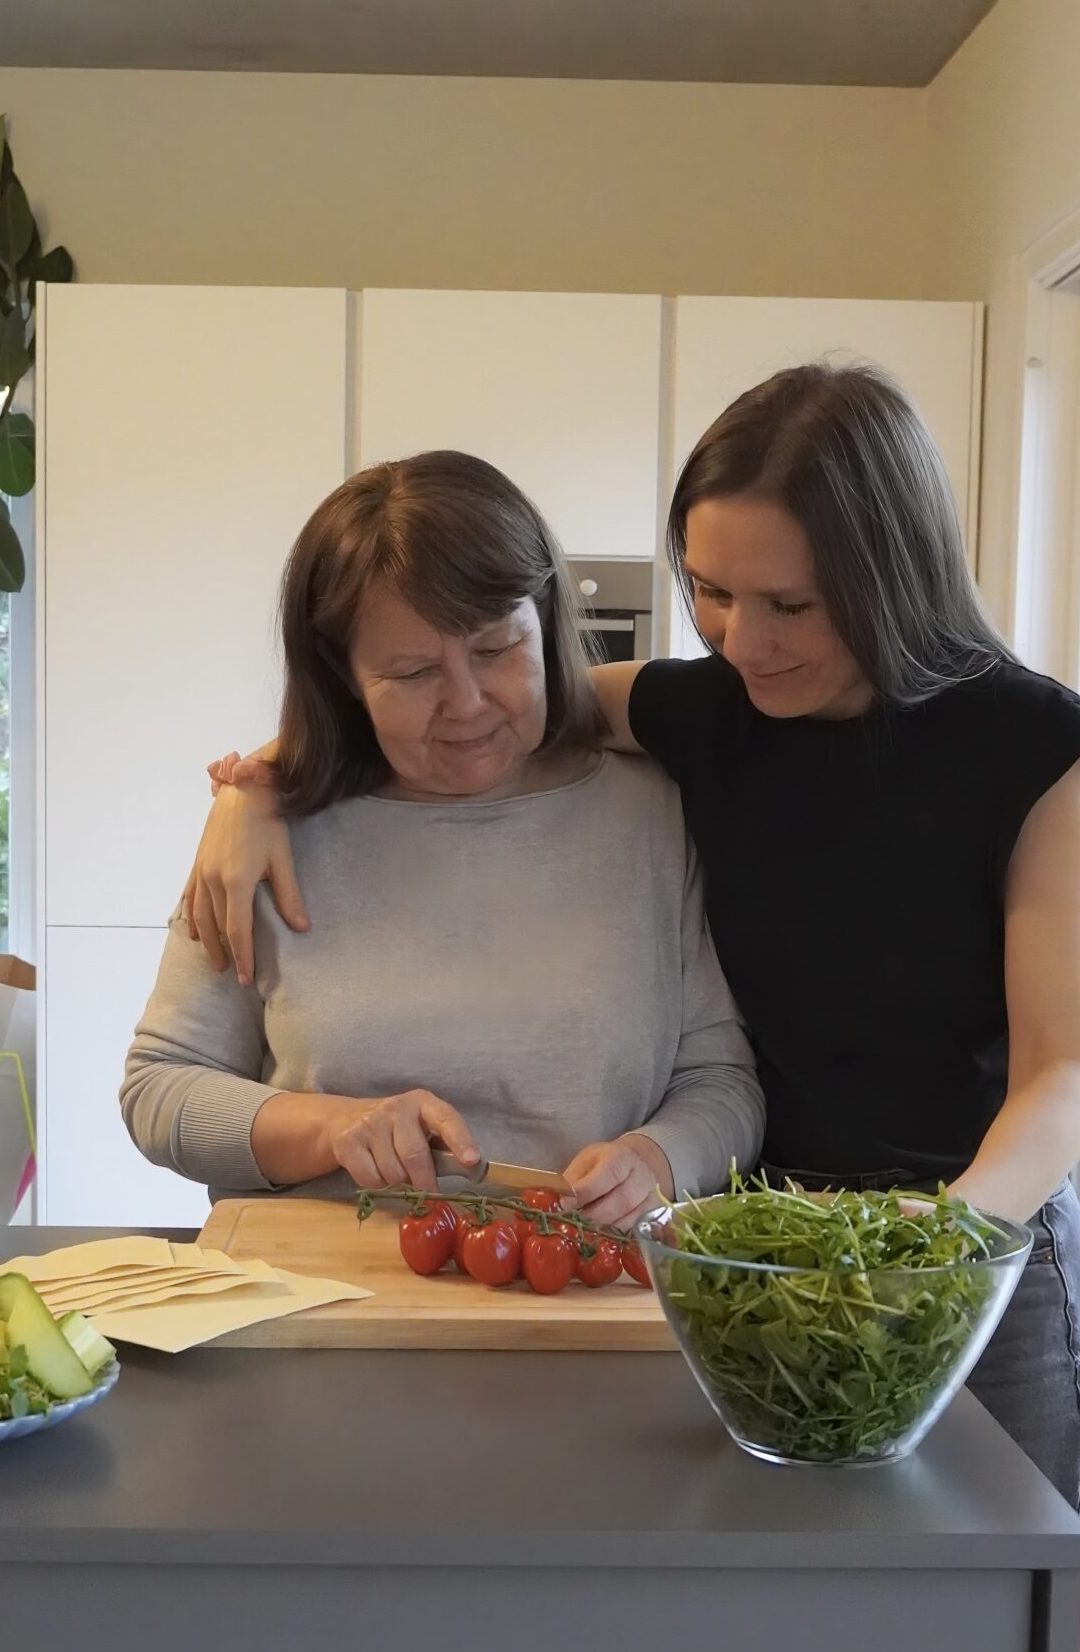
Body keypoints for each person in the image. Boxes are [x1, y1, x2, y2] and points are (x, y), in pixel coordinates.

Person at [179, 364, 1080, 1529]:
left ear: (890, 576)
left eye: (790, 604)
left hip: (973, 1251)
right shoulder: (711, 710)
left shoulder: (1031, 751)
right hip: (748, 1248)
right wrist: (260, 787)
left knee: (988, 1619)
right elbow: (478, 708)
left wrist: (933, 1241)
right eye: (711, 594)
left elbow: (1067, 1073)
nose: (745, 640)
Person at [121, 452, 763, 1227]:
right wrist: (329, 1127)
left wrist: (659, 1157)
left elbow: (721, 1080)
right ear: (345, 678)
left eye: (496, 650)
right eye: (412, 672)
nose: (465, 704)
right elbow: (160, 1087)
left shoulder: (649, 813)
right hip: (323, 1298)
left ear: (547, 617)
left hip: (586, 1287)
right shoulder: (265, 830)